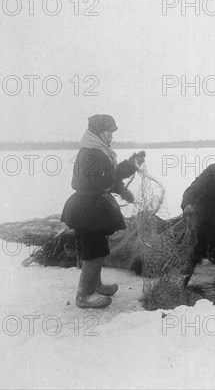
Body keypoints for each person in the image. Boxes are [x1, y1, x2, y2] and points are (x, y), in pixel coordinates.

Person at [61, 114, 144, 308]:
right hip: (86, 208)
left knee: (97, 248)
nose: (112, 136)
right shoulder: (91, 153)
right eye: (110, 132)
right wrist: (129, 166)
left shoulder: (98, 150)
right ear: (100, 131)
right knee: (94, 252)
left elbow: (106, 179)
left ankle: (95, 285)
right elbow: (103, 181)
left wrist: (122, 190)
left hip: (93, 205)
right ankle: (84, 295)